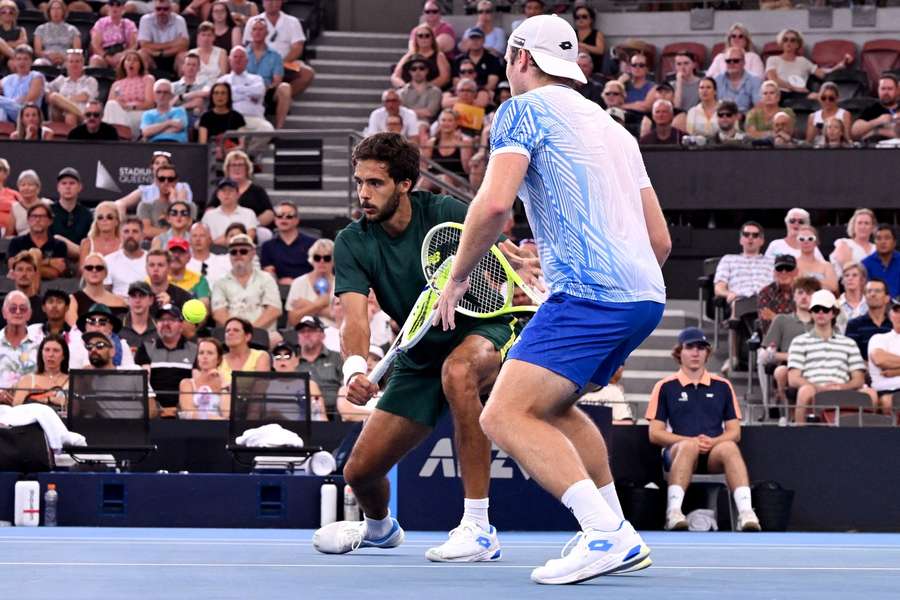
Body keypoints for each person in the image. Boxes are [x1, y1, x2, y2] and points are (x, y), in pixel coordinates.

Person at [433, 15, 670, 583]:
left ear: (518, 58)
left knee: (504, 414)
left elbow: (492, 207)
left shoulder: (522, 111)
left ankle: (603, 534)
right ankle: (619, 529)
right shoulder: (615, 127)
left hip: (591, 295)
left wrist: (459, 277)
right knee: (555, 408)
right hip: (645, 296)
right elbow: (658, 239)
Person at [311, 133, 522, 563]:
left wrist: (516, 264)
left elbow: (501, 264)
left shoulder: (445, 212)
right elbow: (354, 316)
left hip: (484, 330)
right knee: (359, 471)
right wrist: (355, 367)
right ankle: (380, 529)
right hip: (420, 351)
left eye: (376, 183)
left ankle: (479, 528)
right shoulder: (353, 240)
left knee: (460, 372)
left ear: (405, 183)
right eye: (359, 183)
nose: (363, 194)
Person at [647, 327, 761, 532]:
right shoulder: (665, 386)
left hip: (713, 452)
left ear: (707, 353)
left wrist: (713, 442)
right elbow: (655, 433)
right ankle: (673, 512)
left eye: (701, 347)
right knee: (688, 446)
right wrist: (688, 440)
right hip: (677, 451)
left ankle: (746, 513)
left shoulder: (723, 386)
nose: (695, 352)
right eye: (690, 347)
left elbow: (735, 432)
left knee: (728, 447)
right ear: (679, 352)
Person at [787, 289, 876, 424]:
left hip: (844, 390)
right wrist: (820, 388)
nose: (821, 313)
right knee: (805, 391)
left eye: (825, 309)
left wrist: (842, 387)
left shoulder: (848, 343)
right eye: (816, 309)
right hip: (813, 390)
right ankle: (801, 434)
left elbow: (858, 378)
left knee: (870, 394)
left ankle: (871, 438)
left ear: (833, 313)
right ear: (811, 313)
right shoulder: (799, 341)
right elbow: (793, 379)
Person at [758, 276, 820, 413]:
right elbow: (764, 355)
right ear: (793, 296)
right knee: (781, 371)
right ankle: (785, 412)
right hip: (789, 366)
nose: (804, 297)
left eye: (809, 293)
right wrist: (792, 356)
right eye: (800, 293)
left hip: (818, 367)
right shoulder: (782, 320)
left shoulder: (823, 322)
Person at [242, 0, 315, 98]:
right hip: (259, 61)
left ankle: (278, 98)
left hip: (286, 63)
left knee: (307, 73)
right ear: (263, 2)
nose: (272, 3)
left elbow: (297, 47)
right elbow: (247, 45)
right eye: (269, 0)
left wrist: (280, 63)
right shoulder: (253, 21)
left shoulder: (292, 21)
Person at [211, 234, 282, 332]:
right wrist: (237, 332)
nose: (238, 255)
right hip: (231, 335)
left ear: (252, 253)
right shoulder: (220, 282)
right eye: (233, 252)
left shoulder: (267, 279)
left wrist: (250, 332)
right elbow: (219, 313)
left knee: (277, 339)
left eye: (243, 251)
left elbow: (274, 310)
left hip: (263, 333)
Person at [135, 303, 197, 414]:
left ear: (181, 325)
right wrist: (158, 409)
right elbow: (143, 383)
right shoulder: (146, 348)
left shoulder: (194, 350)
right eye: (161, 320)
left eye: (171, 319)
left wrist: (179, 409)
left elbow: (197, 384)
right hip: (154, 412)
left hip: (185, 410)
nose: (165, 323)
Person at [217, 46, 274, 151]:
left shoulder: (256, 79)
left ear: (247, 61)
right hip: (230, 119)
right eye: (235, 57)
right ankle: (240, 154)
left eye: (241, 57)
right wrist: (247, 92)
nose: (238, 59)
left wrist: (234, 92)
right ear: (230, 60)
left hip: (254, 118)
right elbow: (222, 98)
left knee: (268, 130)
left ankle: (242, 152)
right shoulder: (222, 81)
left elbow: (259, 92)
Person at [765, 29, 849, 99]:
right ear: (781, 43)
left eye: (793, 40)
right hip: (779, 93)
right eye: (785, 39)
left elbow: (823, 74)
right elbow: (773, 79)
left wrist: (840, 65)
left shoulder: (803, 61)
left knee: (820, 97)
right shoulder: (772, 59)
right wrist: (794, 88)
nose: (788, 42)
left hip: (800, 94)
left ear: (798, 44)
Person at [206, 150, 274, 228]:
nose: (237, 168)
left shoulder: (257, 190)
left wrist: (253, 223)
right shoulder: (221, 189)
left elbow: (269, 213)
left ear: (247, 168)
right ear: (227, 169)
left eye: (240, 165)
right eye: (233, 165)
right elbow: (210, 209)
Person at [244, 18, 291, 130]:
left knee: (285, 87)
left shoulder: (275, 56)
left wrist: (265, 87)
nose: (257, 32)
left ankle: (278, 130)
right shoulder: (243, 53)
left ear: (267, 33)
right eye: (254, 29)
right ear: (251, 33)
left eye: (261, 29)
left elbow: (277, 80)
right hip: (246, 89)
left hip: (268, 89)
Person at [295, 315, 342, 418]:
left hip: (335, 413)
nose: (306, 334)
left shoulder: (337, 358)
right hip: (301, 413)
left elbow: (346, 386)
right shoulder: (292, 362)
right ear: (298, 337)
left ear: (322, 335)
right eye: (302, 332)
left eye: (311, 330)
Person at [102, 50, 155, 138]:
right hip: (121, 113)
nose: (131, 62)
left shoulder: (147, 79)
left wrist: (130, 107)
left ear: (140, 65)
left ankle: (120, 136)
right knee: (111, 104)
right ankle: (114, 137)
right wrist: (121, 106)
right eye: (128, 60)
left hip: (138, 112)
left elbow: (150, 103)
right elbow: (110, 107)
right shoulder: (116, 84)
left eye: (135, 60)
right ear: (123, 64)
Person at [135, 163, 195, 240]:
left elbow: (187, 231)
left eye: (170, 179)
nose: (166, 182)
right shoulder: (145, 206)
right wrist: (176, 232)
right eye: (162, 179)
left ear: (176, 181)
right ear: (156, 181)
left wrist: (174, 202)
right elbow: (146, 231)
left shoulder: (190, 207)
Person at [260, 201, 315, 284]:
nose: (284, 219)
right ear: (275, 220)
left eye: (289, 216)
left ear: (297, 220)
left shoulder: (312, 244)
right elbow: (268, 273)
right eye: (279, 216)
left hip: (307, 287)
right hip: (278, 289)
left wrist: (297, 283)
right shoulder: (268, 246)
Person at [7, 203, 66, 280]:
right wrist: (48, 262)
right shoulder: (16, 242)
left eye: (42, 217)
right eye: (34, 216)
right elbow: (12, 265)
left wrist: (23, 267)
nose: (37, 220)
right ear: (28, 220)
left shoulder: (59, 245)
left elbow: (54, 273)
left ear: (50, 221)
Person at [68, 303, 135, 369]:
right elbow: (71, 375)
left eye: (102, 321)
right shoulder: (74, 347)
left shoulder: (122, 345)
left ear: (110, 328)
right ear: (86, 326)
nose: (97, 325)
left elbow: (131, 374)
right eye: (92, 321)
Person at [66, 254, 128, 327]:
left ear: (105, 273)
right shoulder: (72, 300)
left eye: (99, 268)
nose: (94, 270)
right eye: (89, 268)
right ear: (83, 272)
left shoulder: (120, 302)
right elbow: (75, 330)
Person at [12, 334, 68, 412]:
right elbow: (16, 408)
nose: (50, 355)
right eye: (47, 350)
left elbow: (77, 409)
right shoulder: (28, 379)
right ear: (41, 353)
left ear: (63, 356)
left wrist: (49, 398)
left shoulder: (72, 381)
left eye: (56, 350)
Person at [285, 238, 334, 327]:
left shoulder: (342, 284)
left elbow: (343, 317)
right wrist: (319, 304)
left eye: (327, 258)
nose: (321, 261)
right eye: (317, 257)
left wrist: (307, 305)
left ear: (334, 260)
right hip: (305, 333)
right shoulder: (298, 283)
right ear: (311, 259)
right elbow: (292, 320)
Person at [178, 336, 229, 419]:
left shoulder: (226, 384)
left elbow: (226, 414)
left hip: (220, 429)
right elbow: (188, 412)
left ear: (219, 359)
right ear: (197, 358)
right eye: (201, 353)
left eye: (210, 353)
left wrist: (223, 383)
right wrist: (214, 419)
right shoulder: (187, 383)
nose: (205, 357)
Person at [0, 291, 40, 396]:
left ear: (29, 314)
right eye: (13, 308)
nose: (18, 312)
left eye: (23, 309)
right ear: (4, 313)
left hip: (31, 405)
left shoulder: (40, 344)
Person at [45, 49, 96, 127]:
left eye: (77, 61)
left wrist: (62, 100)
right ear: (66, 64)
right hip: (60, 114)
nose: (74, 64)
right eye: (71, 62)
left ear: (83, 64)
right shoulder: (61, 80)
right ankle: (83, 118)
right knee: (53, 96)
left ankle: (82, 117)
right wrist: (49, 96)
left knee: (70, 116)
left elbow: (84, 97)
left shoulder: (90, 80)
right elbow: (46, 89)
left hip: (83, 112)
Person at [845, 278, 891, 361]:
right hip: (863, 371)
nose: (872, 294)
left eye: (877, 291)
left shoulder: (894, 325)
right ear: (865, 297)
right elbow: (850, 355)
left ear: (887, 298)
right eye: (869, 291)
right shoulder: (854, 324)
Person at [50, 167, 92, 259]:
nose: (68, 187)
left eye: (72, 183)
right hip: (54, 260)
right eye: (64, 183)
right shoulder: (48, 212)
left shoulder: (87, 215)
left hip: (81, 261)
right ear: (58, 187)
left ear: (80, 187)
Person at [422, 109, 473, 185]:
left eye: (450, 120)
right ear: (439, 123)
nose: (446, 123)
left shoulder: (464, 141)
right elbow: (424, 167)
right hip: (435, 178)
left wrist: (462, 146)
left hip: (458, 179)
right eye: (443, 120)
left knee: (445, 179)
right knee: (425, 180)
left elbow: (466, 169)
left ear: (456, 123)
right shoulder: (432, 142)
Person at [392, 25, 450, 91]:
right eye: (420, 36)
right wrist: (405, 87)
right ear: (416, 39)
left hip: (432, 92)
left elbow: (444, 77)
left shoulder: (439, 56)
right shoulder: (409, 55)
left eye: (427, 35)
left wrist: (425, 88)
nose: (423, 38)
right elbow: (395, 76)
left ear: (432, 38)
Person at [867, 296, 900, 413]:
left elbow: (888, 365)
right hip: (886, 391)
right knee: (888, 401)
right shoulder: (879, 338)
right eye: (896, 311)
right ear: (890, 315)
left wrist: (895, 371)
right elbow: (880, 360)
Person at [137, 0, 189, 74]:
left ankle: (184, 83)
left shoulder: (179, 20)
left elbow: (184, 45)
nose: (162, 12)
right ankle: (145, 82)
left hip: (174, 57)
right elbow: (144, 45)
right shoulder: (145, 19)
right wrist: (173, 43)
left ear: (171, 9)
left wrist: (161, 53)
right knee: (141, 54)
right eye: (158, 9)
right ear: (154, 9)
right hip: (152, 57)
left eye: (165, 9)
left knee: (184, 56)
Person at [198, 82, 246, 160]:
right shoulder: (205, 117)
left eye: (223, 93)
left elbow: (242, 145)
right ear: (212, 96)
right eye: (216, 93)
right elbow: (203, 145)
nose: (219, 96)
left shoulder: (238, 117)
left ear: (228, 96)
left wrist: (227, 151)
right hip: (211, 156)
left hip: (233, 157)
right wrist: (214, 152)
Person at [202, 178, 258, 244]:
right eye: (223, 190)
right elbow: (204, 240)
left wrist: (222, 240)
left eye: (231, 190)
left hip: (240, 251)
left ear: (238, 195)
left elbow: (249, 238)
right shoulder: (209, 215)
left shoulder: (249, 213)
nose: (227, 194)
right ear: (217, 195)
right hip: (215, 252)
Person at [218, 316, 270, 384]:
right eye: (227, 331)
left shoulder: (261, 356)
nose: (230, 333)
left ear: (247, 336)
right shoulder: (218, 360)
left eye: (236, 330)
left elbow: (260, 388)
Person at [104, 217, 148, 296]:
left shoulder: (151, 260)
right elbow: (105, 293)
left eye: (135, 231)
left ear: (143, 236)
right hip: (117, 306)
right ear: (120, 235)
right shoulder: (108, 260)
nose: (130, 235)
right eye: (126, 231)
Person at [89, 0, 138, 69]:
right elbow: (95, 46)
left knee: (130, 61)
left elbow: (133, 45)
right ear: (108, 7)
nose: (114, 7)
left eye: (118, 5)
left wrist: (123, 55)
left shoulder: (129, 24)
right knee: (95, 60)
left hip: (123, 55)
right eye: (111, 4)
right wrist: (108, 58)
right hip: (104, 54)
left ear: (123, 8)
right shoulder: (100, 23)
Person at [397, 55, 442, 130]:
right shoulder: (401, 93)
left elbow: (430, 112)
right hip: (405, 125)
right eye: (413, 69)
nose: (418, 71)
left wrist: (408, 111)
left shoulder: (435, 91)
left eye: (422, 68)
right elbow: (400, 113)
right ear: (409, 72)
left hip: (429, 126)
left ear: (427, 70)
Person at [713, 47, 761, 115]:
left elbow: (758, 107)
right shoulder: (717, 80)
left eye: (736, 61)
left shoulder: (755, 80)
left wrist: (743, 117)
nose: (732, 63)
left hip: (746, 120)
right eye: (728, 61)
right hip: (722, 118)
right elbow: (711, 105)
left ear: (744, 62)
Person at [851, 75, 899, 143]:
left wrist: (876, 132)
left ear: (897, 90)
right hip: (875, 150)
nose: (886, 92)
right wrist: (877, 121)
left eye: (890, 89)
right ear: (878, 90)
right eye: (883, 89)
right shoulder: (873, 109)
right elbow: (854, 132)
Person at [830, 209, 876, 280]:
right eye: (859, 223)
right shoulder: (844, 243)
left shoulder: (876, 248)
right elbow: (848, 269)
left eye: (866, 223)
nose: (863, 226)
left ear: (872, 227)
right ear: (853, 226)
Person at [33, 0, 80, 68]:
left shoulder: (73, 29)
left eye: (59, 8)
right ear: (49, 12)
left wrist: (63, 57)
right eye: (53, 9)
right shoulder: (40, 29)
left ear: (63, 11)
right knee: (39, 63)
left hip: (67, 59)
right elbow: (37, 51)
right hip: (47, 58)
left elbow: (77, 51)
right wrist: (49, 56)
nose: (56, 11)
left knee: (71, 64)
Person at [454, 27, 501, 95]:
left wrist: (477, 93)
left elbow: (492, 83)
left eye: (478, 38)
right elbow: (456, 81)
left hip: (484, 94)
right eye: (472, 39)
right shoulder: (458, 60)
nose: (475, 41)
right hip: (463, 93)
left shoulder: (493, 60)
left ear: (484, 40)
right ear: (468, 41)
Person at [140, 78, 188, 143]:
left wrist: (153, 132)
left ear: (171, 95)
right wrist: (169, 123)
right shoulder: (147, 114)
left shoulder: (179, 111)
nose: (162, 95)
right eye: (158, 92)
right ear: (153, 95)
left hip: (177, 146)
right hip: (154, 146)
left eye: (166, 92)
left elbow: (178, 126)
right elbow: (145, 132)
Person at [166, 237, 209, 306]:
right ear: (165, 256)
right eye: (173, 251)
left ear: (189, 257)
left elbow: (204, 308)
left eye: (181, 252)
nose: (176, 255)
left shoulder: (199, 280)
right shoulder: (154, 279)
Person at [794, 225, 838, 293]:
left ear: (816, 242)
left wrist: (805, 279)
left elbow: (833, 287)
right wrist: (820, 281)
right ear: (797, 242)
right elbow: (791, 286)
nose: (806, 241)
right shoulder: (793, 264)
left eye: (810, 238)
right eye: (802, 239)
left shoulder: (826, 266)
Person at [861, 225, 900, 298]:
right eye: (879, 238)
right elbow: (865, 292)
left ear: (894, 242)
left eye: (887, 238)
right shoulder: (866, 264)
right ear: (874, 242)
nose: (883, 242)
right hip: (875, 305)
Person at [187, 222, 230, 288]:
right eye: (194, 236)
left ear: (210, 239)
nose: (198, 239)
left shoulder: (223, 260)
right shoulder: (185, 264)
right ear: (189, 240)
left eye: (202, 235)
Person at [10, 170, 51, 236]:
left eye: (30, 185)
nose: (26, 188)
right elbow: (9, 235)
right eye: (23, 185)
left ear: (38, 187)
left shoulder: (47, 204)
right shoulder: (14, 207)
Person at [119, 281, 156, 351]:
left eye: (142, 296)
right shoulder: (117, 325)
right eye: (133, 296)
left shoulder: (160, 327)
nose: (137, 300)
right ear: (128, 300)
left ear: (151, 300)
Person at [572, 4, 606, 76]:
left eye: (584, 16)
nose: (580, 19)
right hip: (573, 71)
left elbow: (600, 50)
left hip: (594, 72)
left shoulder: (597, 34)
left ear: (591, 19)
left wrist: (582, 45)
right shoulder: (571, 33)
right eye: (577, 17)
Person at [189, 21, 226, 87]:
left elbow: (223, 76)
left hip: (216, 89)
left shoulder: (222, 53)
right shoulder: (192, 53)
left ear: (214, 37)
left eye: (209, 35)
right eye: (203, 35)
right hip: (196, 88)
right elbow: (189, 76)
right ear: (198, 36)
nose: (206, 38)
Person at [836, 262, 868, 333]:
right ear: (842, 281)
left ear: (862, 280)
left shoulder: (870, 304)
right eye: (846, 275)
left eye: (855, 275)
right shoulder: (835, 305)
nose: (850, 278)